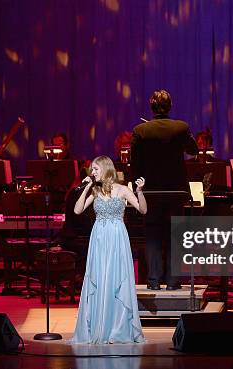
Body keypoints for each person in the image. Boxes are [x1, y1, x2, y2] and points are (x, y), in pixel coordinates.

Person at [71, 156, 146, 344]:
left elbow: (142, 210)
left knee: (116, 277)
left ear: (105, 168)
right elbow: (77, 210)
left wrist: (139, 192)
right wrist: (87, 187)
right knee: (99, 277)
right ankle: (99, 326)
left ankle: (118, 329)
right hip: (99, 238)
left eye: (95, 169)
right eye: (92, 170)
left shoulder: (123, 190)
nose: (92, 172)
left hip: (117, 237)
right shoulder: (94, 191)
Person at [131, 89, 198, 290]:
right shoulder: (181, 127)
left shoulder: (141, 131)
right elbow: (193, 150)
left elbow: (135, 164)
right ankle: (173, 281)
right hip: (176, 191)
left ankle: (153, 281)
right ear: (170, 106)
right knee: (174, 235)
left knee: (152, 235)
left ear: (151, 107)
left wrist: (137, 189)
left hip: (151, 191)